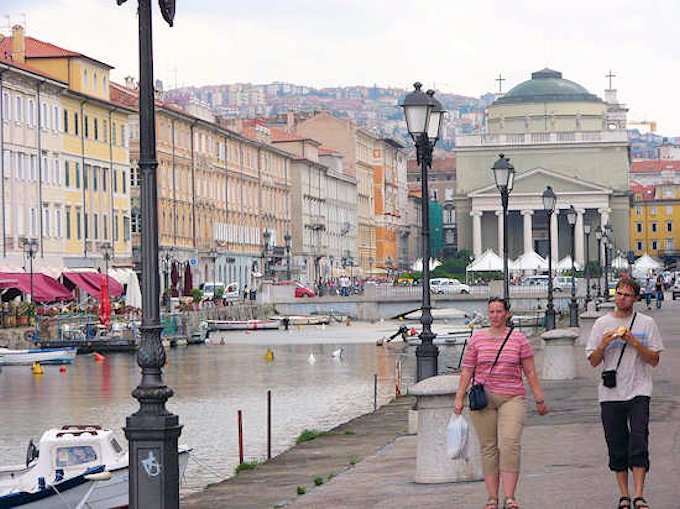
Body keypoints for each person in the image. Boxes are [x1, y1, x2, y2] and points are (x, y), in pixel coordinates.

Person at [454, 297, 548, 509]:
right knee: (488, 447)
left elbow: (530, 370)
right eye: (492, 312)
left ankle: (510, 496)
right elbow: (467, 369)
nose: (495, 316)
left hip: (512, 397)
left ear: (507, 314)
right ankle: (492, 498)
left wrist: (539, 397)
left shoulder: (518, 339)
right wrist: (459, 397)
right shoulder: (477, 339)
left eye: (499, 311)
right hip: (482, 399)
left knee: (509, 445)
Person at [586, 277, 663, 509]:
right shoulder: (601, 324)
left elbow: (654, 360)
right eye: (619, 293)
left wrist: (634, 342)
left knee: (639, 441)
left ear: (636, 298)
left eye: (627, 295)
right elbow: (593, 361)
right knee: (616, 444)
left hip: (639, 390)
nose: (622, 298)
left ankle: (639, 494)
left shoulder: (647, 323)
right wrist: (603, 344)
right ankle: (624, 494)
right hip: (610, 394)